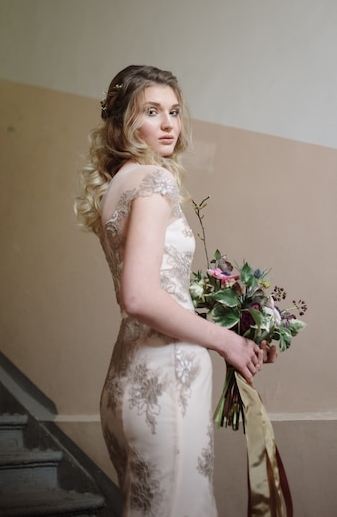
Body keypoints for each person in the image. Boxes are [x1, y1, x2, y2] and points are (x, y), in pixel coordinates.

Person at [75, 65, 275, 517]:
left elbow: (161, 290)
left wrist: (241, 324)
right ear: (126, 122)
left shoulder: (115, 187)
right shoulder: (154, 180)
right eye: (152, 111)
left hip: (126, 380)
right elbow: (141, 297)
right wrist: (228, 341)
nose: (168, 124)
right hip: (166, 383)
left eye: (174, 111)